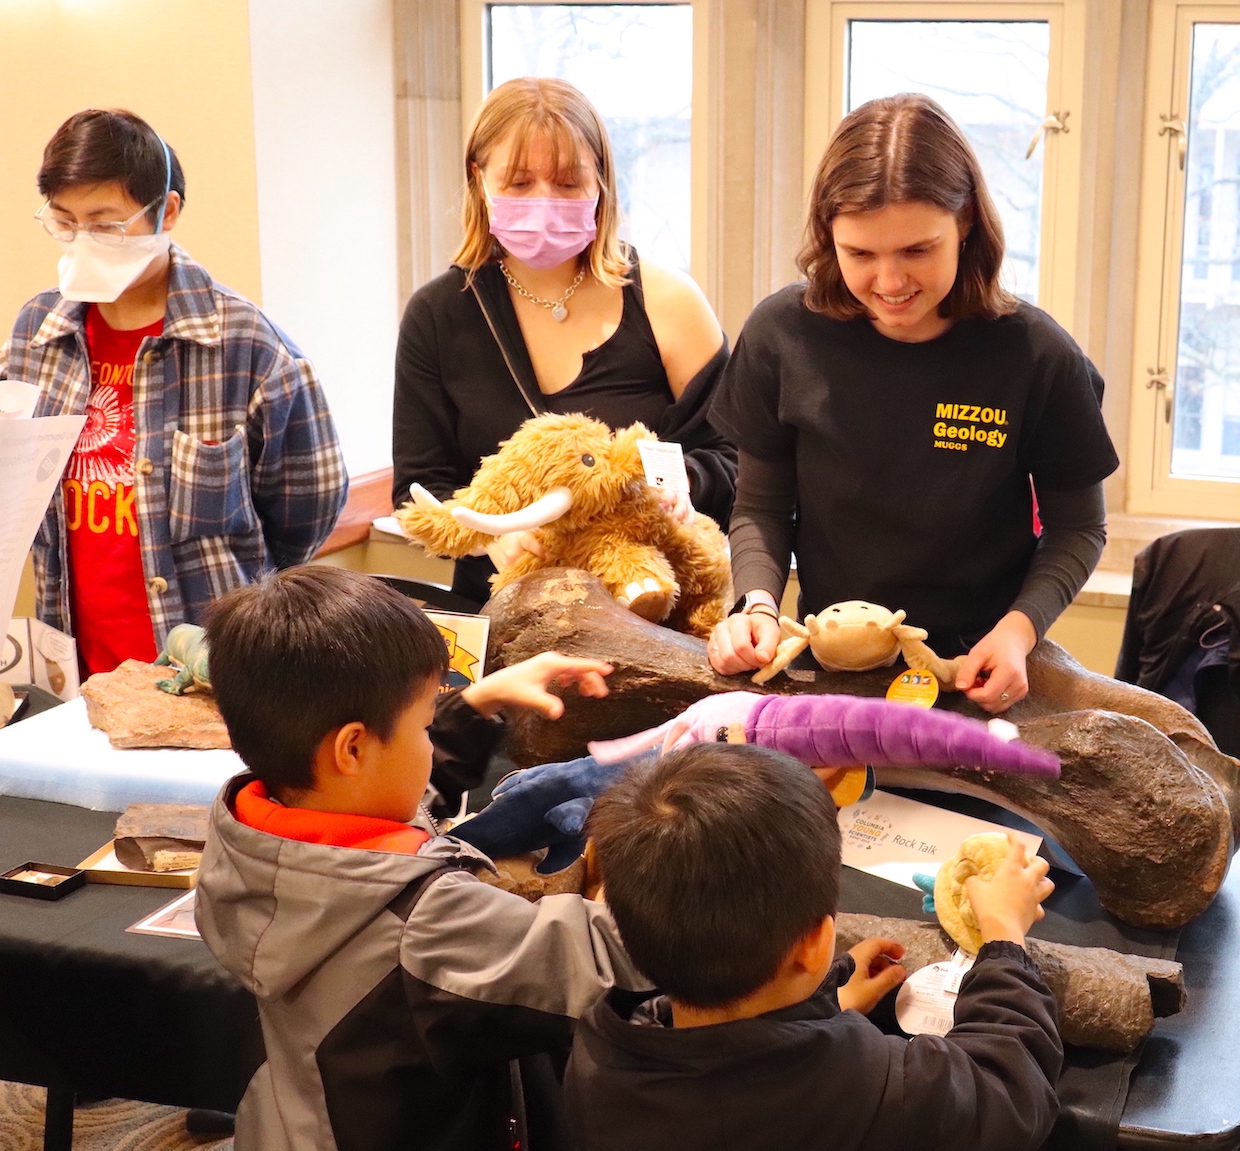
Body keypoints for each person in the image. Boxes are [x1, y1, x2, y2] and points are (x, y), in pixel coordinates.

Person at [194, 565, 645, 1151]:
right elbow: (606, 962)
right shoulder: (429, 926)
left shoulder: (245, 838)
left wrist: (478, 703)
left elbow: (387, 806)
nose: (430, 744)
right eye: (425, 726)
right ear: (353, 747)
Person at [706, 94, 1118, 712]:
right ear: (828, 238)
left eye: (917, 251)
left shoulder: (1036, 355)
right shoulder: (780, 334)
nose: (890, 284)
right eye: (860, 255)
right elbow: (761, 506)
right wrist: (756, 603)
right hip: (832, 659)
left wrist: (1019, 629)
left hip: (981, 665)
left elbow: (1079, 527)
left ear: (967, 225)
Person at [566, 742, 1063, 1150]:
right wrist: (1004, 933)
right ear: (814, 943)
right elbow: (1010, 1093)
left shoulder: (596, 1054)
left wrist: (825, 1001)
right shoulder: (884, 1089)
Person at [7, 109, 347, 677]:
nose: (83, 241)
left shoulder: (246, 346)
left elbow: (307, 511)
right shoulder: (36, 333)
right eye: (65, 223)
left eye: (107, 224)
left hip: (212, 673)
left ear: (166, 211)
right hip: (72, 666)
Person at [394, 77, 735, 606]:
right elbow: (419, 484)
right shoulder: (438, 315)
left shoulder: (669, 302)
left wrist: (676, 484)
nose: (544, 201)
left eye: (569, 182)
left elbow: (736, 458)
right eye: (519, 182)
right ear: (478, 179)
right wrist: (491, 538)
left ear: (601, 183)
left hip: (657, 610)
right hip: (505, 614)